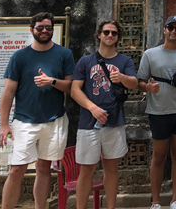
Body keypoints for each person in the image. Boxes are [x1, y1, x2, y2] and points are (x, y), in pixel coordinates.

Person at [0, 12, 75, 209]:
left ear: (53, 30)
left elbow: (71, 87)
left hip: (54, 119)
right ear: (32, 30)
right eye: (40, 27)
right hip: (24, 121)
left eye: (48, 28)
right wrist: (4, 124)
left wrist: (52, 81)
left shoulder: (64, 54)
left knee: (44, 168)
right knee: (16, 170)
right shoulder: (20, 57)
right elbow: (8, 92)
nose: (44, 31)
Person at [71, 20, 138, 209]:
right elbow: (75, 90)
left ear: (118, 37)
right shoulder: (86, 61)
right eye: (106, 32)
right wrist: (92, 108)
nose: (110, 36)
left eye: (114, 33)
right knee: (87, 169)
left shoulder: (124, 61)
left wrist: (122, 78)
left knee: (111, 167)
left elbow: (133, 83)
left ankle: (110, 207)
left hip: (114, 121)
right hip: (88, 122)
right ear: (99, 34)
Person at [137, 16, 176, 209]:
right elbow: (140, 82)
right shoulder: (150, 54)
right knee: (159, 155)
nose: (174, 31)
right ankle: (155, 202)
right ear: (164, 30)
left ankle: (175, 199)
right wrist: (148, 88)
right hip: (158, 111)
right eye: (170, 27)